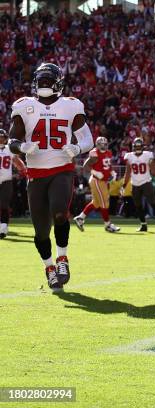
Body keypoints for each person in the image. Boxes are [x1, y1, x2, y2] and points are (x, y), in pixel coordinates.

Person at [8, 63, 94, 291]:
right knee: (40, 232)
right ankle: (49, 267)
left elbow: (88, 139)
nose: (44, 84)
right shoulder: (24, 105)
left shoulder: (70, 106)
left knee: (59, 212)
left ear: (58, 82)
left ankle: (62, 259)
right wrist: (22, 146)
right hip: (35, 174)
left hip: (61, 169)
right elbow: (11, 141)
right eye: (41, 80)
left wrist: (77, 149)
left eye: (48, 80)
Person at [122, 138, 155, 232]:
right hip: (135, 184)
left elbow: (153, 168)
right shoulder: (130, 156)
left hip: (146, 183)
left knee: (153, 204)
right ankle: (143, 225)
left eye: (139, 146)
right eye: (136, 146)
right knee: (138, 206)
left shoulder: (147, 155)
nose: (137, 148)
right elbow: (127, 172)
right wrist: (124, 185)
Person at [73, 136, 121, 233]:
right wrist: (95, 172)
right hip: (97, 180)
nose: (103, 146)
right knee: (104, 202)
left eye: (105, 144)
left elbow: (107, 165)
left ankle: (80, 218)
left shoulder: (108, 153)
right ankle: (107, 225)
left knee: (96, 203)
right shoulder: (95, 153)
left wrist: (112, 172)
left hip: (102, 181)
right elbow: (85, 165)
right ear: (97, 145)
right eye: (101, 145)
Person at [0, 129, 26, 239]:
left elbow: (17, 161)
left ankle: (3, 228)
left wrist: (24, 171)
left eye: (2, 137)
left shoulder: (9, 150)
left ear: (6, 138)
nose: (0, 139)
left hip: (6, 180)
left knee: (4, 205)